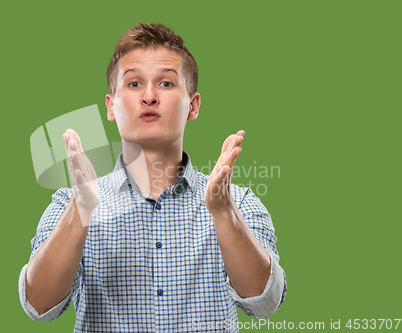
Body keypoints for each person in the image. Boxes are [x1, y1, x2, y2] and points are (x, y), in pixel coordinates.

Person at [18, 22, 286, 332]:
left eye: (166, 84)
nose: (149, 96)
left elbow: (266, 302)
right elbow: (38, 305)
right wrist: (80, 210)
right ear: (110, 105)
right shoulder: (70, 202)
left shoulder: (238, 203)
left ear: (193, 105)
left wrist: (224, 213)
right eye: (133, 84)